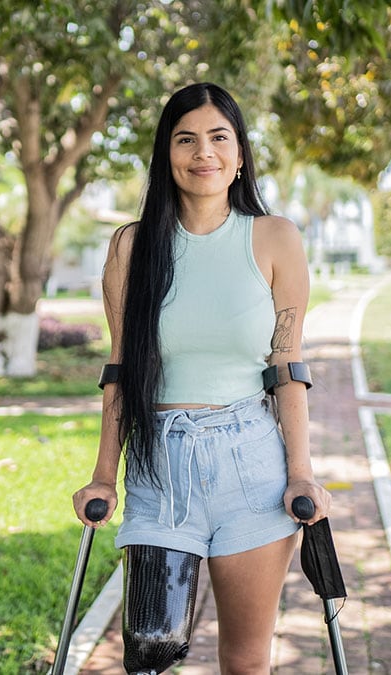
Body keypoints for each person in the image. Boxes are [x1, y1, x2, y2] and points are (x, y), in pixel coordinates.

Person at [72, 82, 332, 674]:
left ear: (240, 154)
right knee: (150, 657)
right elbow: (121, 368)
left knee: (244, 662)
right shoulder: (132, 248)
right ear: (167, 155)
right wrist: (103, 478)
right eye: (185, 139)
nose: (203, 153)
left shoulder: (274, 238)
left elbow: (287, 367)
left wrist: (302, 474)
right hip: (159, 472)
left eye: (219, 138)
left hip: (252, 470)